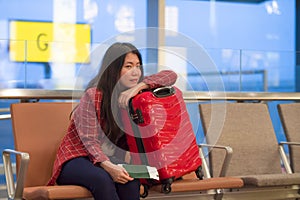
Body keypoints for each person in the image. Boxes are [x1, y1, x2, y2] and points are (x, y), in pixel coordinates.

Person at [47, 42, 177, 200]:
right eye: (128, 66)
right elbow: (89, 142)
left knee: (130, 181)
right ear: (114, 69)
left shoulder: (134, 97)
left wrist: (138, 88)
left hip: (111, 159)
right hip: (79, 158)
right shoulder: (94, 95)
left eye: (138, 66)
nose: (135, 72)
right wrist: (109, 167)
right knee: (103, 180)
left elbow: (171, 75)